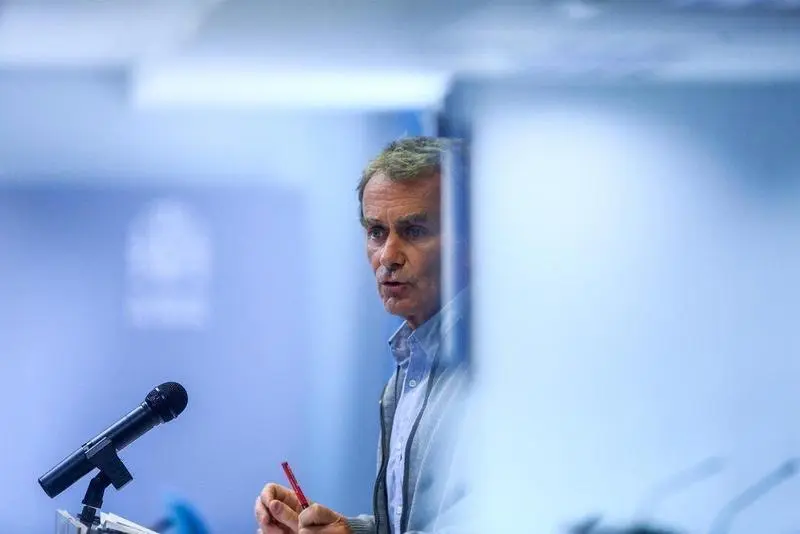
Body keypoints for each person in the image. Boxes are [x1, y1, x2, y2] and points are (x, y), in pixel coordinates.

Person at [255, 137, 471, 534]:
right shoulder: (404, 378)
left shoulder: (495, 369)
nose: (388, 255)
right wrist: (342, 529)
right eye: (376, 231)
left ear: (467, 240)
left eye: (415, 230)